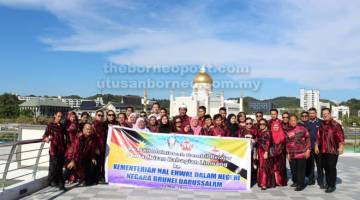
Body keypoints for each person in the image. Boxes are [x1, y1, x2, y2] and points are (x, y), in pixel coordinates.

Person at [315, 108, 345, 193]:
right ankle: (328, 183)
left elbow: (340, 136)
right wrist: (316, 146)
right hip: (323, 150)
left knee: (331, 167)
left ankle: (332, 185)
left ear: (330, 114)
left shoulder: (336, 125)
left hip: (332, 150)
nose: (325, 115)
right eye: (323, 114)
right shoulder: (321, 125)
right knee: (325, 167)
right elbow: (318, 136)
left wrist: (341, 146)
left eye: (326, 113)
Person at [286, 114, 311, 191]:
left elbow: (308, 139)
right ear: (289, 122)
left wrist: (308, 150)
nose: (293, 122)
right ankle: (296, 182)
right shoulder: (288, 130)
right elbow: (286, 142)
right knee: (294, 169)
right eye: (291, 120)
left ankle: (301, 184)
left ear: (296, 121)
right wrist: (288, 153)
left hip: (301, 153)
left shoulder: (302, 129)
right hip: (292, 153)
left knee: (301, 170)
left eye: (294, 120)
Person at [42, 112, 67, 190]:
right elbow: (45, 135)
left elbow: (66, 136)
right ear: (55, 115)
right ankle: (51, 181)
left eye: (61, 117)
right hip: (53, 149)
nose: (60, 118)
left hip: (61, 149)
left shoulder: (62, 126)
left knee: (59, 167)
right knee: (53, 166)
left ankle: (58, 182)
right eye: (58, 116)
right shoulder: (50, 125)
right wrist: (46, 138)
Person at [305, 107, 324, 187]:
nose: (311, 114)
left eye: (313, 113)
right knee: (310, 165)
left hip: (319, 148)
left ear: (316, 113)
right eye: (310, 113)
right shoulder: (306, 123)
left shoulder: (321, 122)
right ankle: (311, 180)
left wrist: (317, 144)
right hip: (309, 148)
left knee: (320, 165)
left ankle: (320, 181)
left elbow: (322, 136)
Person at [256, 118, 275, 190]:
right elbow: (258, 143)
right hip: (260, 151)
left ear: (266, 124)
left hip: (265, 152)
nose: (261, 125)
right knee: (261, 167)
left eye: (263, 124)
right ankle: (261, 182)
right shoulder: (260, 132)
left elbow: (268, 143)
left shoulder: (268, 132)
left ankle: (265, 183)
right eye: (260, 124)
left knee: (265, 167)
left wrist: (266, 152)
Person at [238, 117, 257, 186]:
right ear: (245, 124)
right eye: (247, 123)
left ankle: (250, 182)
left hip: (252, 151)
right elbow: (238, 139)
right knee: (244, 166)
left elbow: (258, 139)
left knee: (251, 166)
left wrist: (254, 141)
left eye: (250, 123)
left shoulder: (255, 130)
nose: (249, 125)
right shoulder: (241, 130)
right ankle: (243, 180)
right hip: (244, 151)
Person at [270, 120, 287, 186]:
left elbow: (284, 144)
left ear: (279, 127)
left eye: (277, 126)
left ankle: (280, 181)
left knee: (280, 168)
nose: (275, 127)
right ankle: (274, 181)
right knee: (273, 168)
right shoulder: (270, 134)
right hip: (272, 154)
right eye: (274, 126)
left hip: (281, 154)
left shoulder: (282, 134)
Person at [64, 111, 79, 183]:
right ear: (68, 117)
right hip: (68, 143)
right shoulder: (66, 124)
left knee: (72, 159)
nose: (73, 118)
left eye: (74, 117)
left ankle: (71, 177)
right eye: (71, 117)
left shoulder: (75, 124)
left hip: (74, 143)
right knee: (68, 159)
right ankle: (68, 177)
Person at [92, 110, 107, 182]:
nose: (100, 117)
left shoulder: (103, 125)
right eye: (99, 115)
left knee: (100, 163)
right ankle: (94, 178)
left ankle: (98, 177)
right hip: (96, 148)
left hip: (102, 147)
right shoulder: (93, 125)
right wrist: (95, 148)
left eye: (102, 115)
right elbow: (92, 138)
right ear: (95, 116)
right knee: (95, 163)